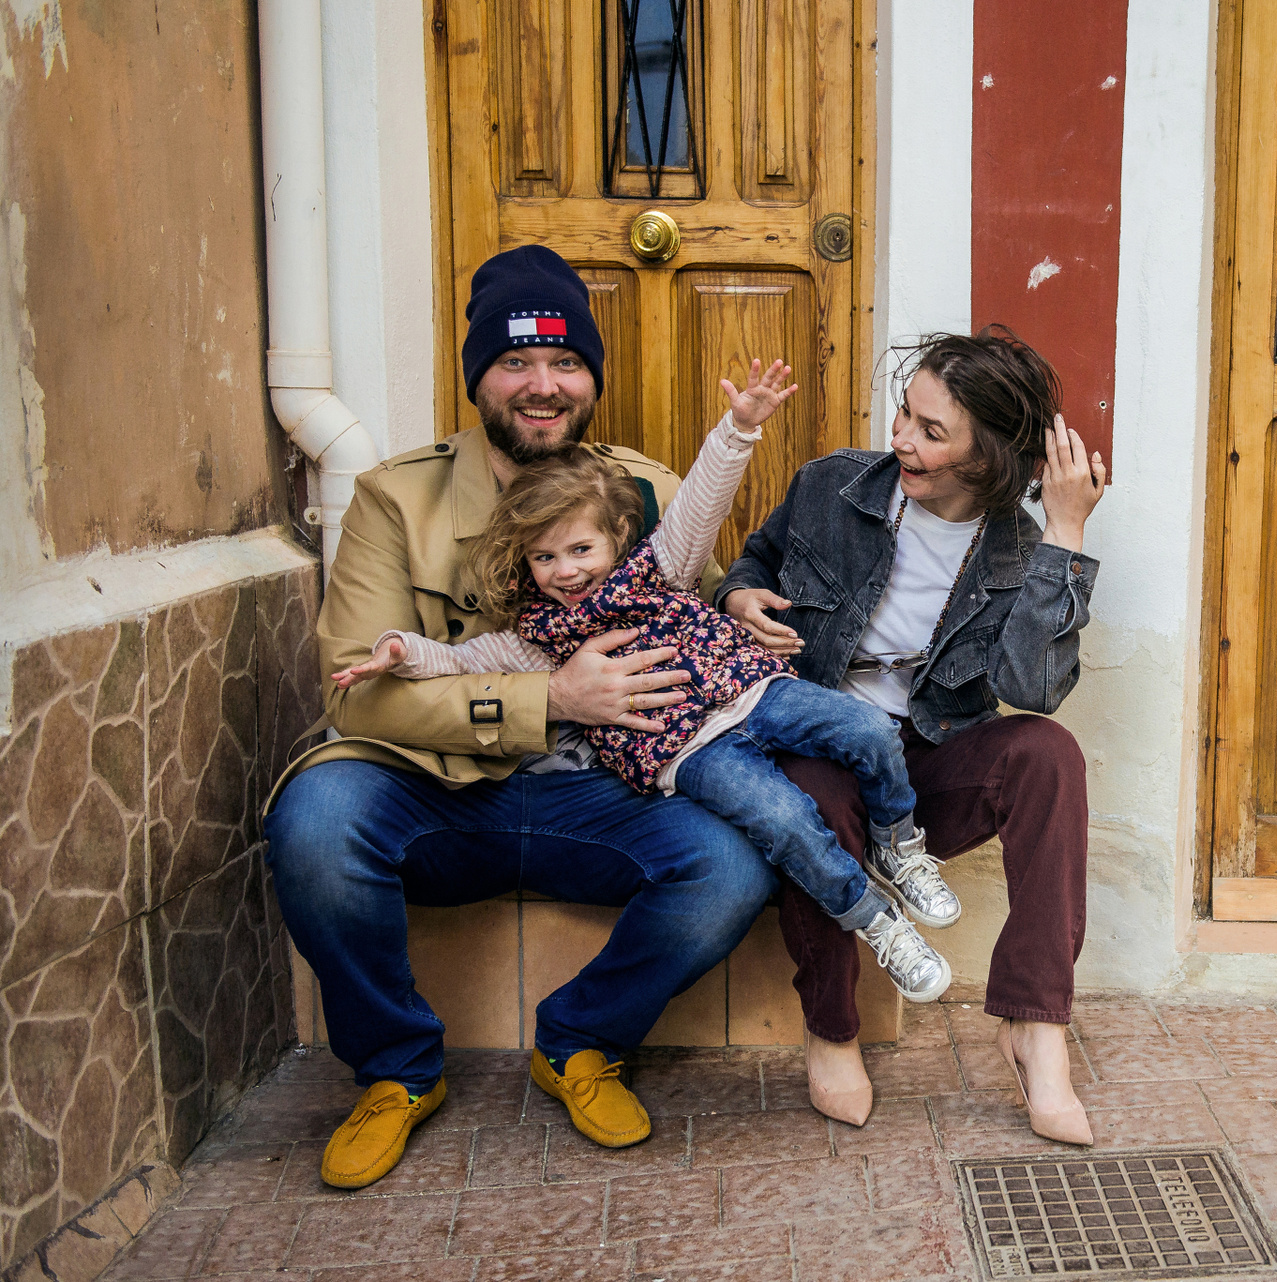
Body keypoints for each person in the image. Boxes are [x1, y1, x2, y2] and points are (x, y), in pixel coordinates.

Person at [263, 245, 778, 1190]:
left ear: (590, 378)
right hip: (438, 792)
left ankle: (582, 1042)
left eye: (565, 361)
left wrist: (737, 599)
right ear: (479, 379)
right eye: (515, 362)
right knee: (316, 823)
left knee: (733, 863)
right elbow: (359, 690)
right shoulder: (394, 498)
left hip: (606, 792)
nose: (543, 385)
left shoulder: (646, 488)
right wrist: (552, 699)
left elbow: (697, 601)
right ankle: (396, 1072)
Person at [330, 361, 959, 1004]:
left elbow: (702, 501)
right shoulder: (537, 637)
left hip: (750, 692)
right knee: (785, 819)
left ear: (617, 538)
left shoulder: (660, 567)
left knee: (867, 729)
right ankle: (875, 921)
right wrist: (398, 650)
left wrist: (739, 428)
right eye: (544, 558)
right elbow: (461, 660)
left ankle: (898, 846)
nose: (565, 572)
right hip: (687, 753)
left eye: (580, 550)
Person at [719, 328, 1106, 1143]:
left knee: (1048, 757)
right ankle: (832, 1028)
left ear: (987, 458)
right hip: (819, 746)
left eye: (932, 432)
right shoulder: (831, 486)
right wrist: (740, 599)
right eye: (905, 413)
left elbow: (1033, 691)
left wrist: (1066, 535)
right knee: (817, 796)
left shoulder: (1019, 552)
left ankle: (1035, 1026)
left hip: (925, 762)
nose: (901, 439)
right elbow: (753, 562)